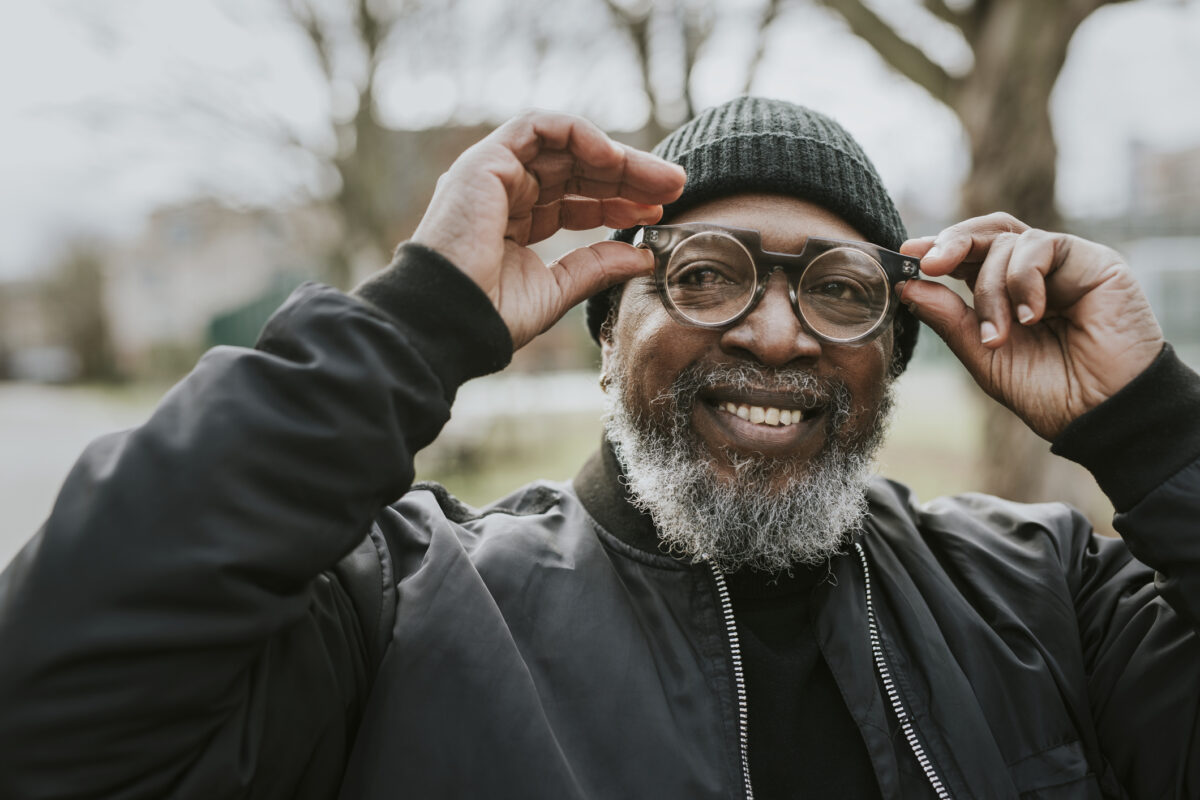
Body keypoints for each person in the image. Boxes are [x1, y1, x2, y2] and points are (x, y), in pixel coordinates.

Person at [0, 95, 1196, 799]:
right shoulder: (401, 604)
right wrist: (415, 322)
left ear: (896, 347)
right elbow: (49, 713)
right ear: (609, 324)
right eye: (709, 274)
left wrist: (1153, 430)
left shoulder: (1051, 595)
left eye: (838, 291)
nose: (777, 333)